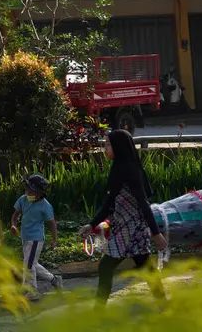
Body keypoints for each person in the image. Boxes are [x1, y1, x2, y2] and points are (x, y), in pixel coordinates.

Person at [78, 129, 167, 305]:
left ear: (120, 146)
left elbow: (143, 203)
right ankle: (163, 303)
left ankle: (98, 310)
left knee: (106, 266)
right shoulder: (118, 169)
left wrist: (156, 233)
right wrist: (92, 225)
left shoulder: (130, 170)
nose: (105, 149)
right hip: (124, 225)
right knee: (145, 265)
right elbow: (110, 202)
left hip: (131, 227)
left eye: (109, 145)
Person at [11, 174, 63, 301]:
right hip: (25, 237)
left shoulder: (46, 206)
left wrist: (54, 239)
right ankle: (54, 280)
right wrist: (13, 225)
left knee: (28, 265)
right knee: (32, 263)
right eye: (26, 189)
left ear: (40, 193)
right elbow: (15, 215)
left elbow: (51, 223)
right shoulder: (23, 200)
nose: (27, 192)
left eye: (31, 190)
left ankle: (31, 291)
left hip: (36, 239)